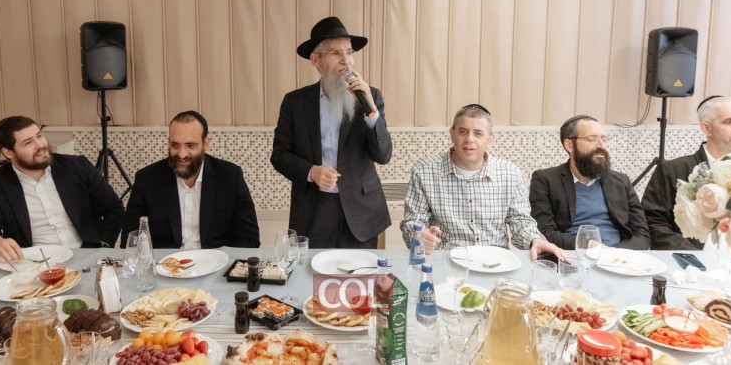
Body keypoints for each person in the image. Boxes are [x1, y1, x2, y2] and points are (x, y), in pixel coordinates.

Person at [271, 16, 392, 249]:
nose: (346, 61)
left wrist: (370, 109)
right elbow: (279, 155)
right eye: (336, 53)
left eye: (349, 52)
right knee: (311, 271)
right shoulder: (295, 102)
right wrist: (312, 172)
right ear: (315, 60)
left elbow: (383, 155)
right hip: (314, 209)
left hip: (361, 212)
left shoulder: (371, 96)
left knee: (359, 272)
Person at [400, 104, 562, 260]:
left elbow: (521, 222)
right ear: (452, 133)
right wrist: (419, 236)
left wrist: (535, 240)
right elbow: (413, 221)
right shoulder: (424, 171)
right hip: (446, 260)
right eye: (463, 131)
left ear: (490, 139)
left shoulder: (511, 174)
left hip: (496, 262)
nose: (469, 139)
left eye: (478, 133)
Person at [0, 116, 124, 263]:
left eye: (39, 136)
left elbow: (114, 208)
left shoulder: (77, 166)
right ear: (8, 152)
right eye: (28, 142)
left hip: (85, 256)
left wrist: (103, 246)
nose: (40, 145)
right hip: (32, 264)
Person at [121, 110, 260, 249]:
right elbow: (129, 240)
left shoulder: (230, 177)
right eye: (175, 145)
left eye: (190, 145)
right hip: (165, 261)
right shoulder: (146, 179)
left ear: (206, 143)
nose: (182, 154)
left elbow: (249, 239)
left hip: (215, 260)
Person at [529, 115, 650, 250]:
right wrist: (587, 245)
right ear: (569, 145)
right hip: (571, 254)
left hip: (619, 256)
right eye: (592, 139)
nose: (601, 145)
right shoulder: (546, 180)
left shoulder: (621, 181)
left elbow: (642, 234)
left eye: (603, 139)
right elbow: (544, 233)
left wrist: (615, 253)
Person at [643, 96, 731, 249]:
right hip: (690, 256)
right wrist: (692, 254)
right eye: (729, 121)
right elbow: (653, 222)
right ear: (706, 128)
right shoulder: (672, 170)